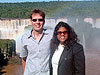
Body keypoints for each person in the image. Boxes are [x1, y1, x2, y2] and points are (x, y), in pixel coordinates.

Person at [20, 9, 53, 75]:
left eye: (40, 20)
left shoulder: (51, 35)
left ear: (44, 21)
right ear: (31, 21)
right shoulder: (24, 38)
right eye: (34, 20)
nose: (37, 22)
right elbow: (24, 58)